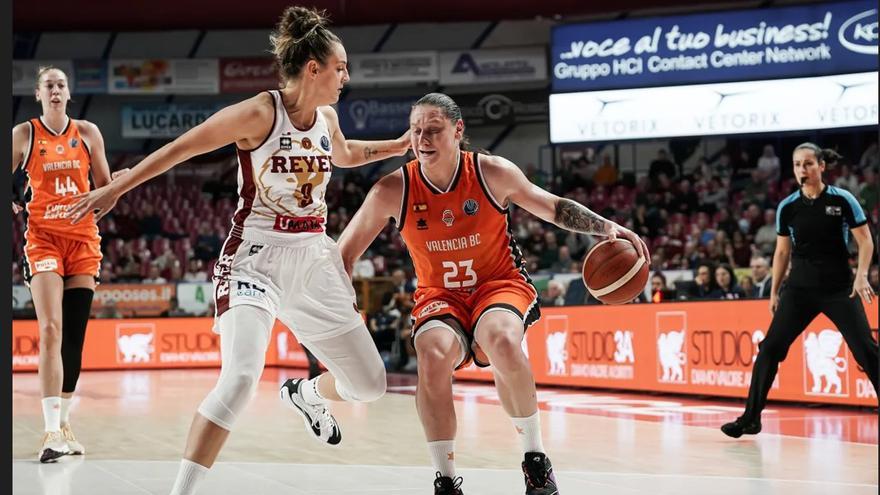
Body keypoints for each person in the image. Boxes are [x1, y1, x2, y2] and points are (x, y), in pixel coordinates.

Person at [70, 7, 409, 494]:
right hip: (256, 257)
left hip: (314, 256)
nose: (346, 76)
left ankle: (307, 393)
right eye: (341, 66)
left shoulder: (327, 117)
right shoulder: (259, 113)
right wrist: (118, 189)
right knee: (241, 378)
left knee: (370, 384)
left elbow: (345, 153)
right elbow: (183, 147)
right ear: (313, 68)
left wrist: (396, 145)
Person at [338, 93, 649, 495]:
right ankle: (445, 480)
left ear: (458, 130)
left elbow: (552, 207)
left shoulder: (490, 172)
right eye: (416, 131)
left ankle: (535, 458)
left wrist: (606, 227)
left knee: (501, 340)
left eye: (433, 129)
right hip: (440, 295)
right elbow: (344, 254)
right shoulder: (392, 189)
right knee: (431, 358)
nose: (423, 139)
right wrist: (343, 310)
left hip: (498, 283)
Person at [721, 143, 878, 438]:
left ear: (821, 166)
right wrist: (774, 291)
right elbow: (781, 254)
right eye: (796, 165)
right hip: (800, 289)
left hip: (839, 287)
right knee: (769, 348)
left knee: (866, 351)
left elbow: (866, 241)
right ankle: (750, 418)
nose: (801, 170)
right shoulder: (788, 206)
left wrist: (861, 277)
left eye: (807, 164)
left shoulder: (843, 200)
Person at [11, 66, 117, 463]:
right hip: (42, 240)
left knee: (74, 335)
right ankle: (50, 430)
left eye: (61, 85)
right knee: (50, 328)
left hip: (84, 243)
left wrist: (94, 208)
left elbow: (107, 189)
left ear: (69, 94)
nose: (55, 91)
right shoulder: (25, 134)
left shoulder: (88, 133)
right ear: (38, 94)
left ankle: (66, 424)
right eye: (49, 86)